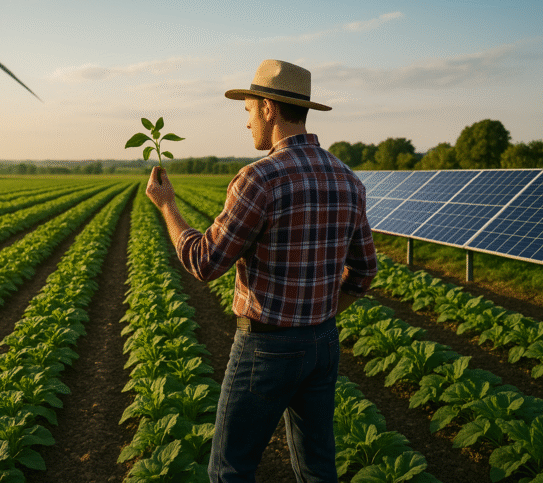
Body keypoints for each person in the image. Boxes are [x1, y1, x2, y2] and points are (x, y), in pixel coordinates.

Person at [145, 59, 377, 482]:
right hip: (324, 341)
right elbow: (363, 272)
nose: (247, 123)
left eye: (249, 110)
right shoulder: (348, 180)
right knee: (318, 469)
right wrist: (315, 318)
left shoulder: (260, 178)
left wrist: (167, 205)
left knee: (230, 468)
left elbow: (204, 262)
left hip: (267, 346)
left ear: (269, 108)